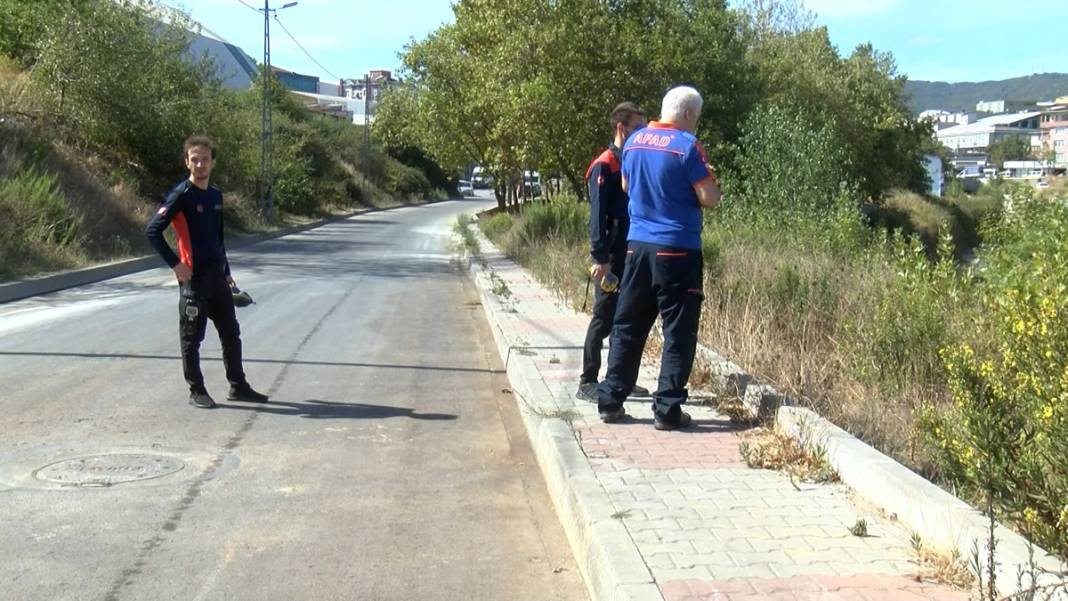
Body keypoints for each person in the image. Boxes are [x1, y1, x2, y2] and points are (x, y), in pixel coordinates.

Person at [595, 86, 723, 430]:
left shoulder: (634, 142)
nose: (695, 124)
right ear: (688, 114)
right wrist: (713, 183)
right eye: (696, 117)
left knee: (628, 325)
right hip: (678, 249)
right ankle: (667, 409)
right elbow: (709, 197)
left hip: (637, 247)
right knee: (678, 333)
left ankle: (610, 400)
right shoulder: (687, 146)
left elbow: (625, 186)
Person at [145, 136, 269, 409]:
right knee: (191, 338)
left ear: (213, 162)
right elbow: (152, 231)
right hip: (194, 281)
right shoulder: (181, 196)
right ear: (186, 162)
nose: (200, 164)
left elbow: (218, 238)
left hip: (217, 279)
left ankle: (238, 386)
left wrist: (227, 271)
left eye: (205, 159)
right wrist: (176, 264)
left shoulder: (215, 195)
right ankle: (196, 391)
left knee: (231, 334)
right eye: (195, 159)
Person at [577, 102, 650, 402]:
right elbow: (597, 218)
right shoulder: (605, 164)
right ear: (622, 128)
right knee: (604, 316)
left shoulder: (632, 160)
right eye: (637, 128)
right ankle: (587, 380)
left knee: (626, 316)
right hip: (611, 253)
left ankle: (619, 379)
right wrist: (600, 258)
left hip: (630, 249)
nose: (642, 134)